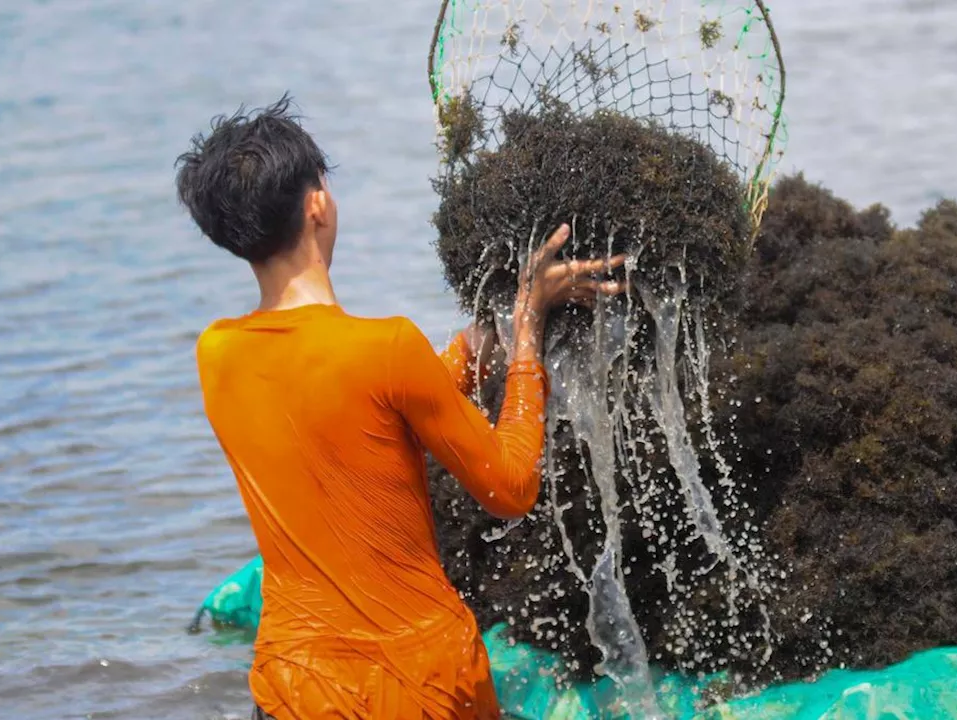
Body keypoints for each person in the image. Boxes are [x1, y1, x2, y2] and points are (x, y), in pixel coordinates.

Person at [175, 95, 625, 719]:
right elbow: (512, 487)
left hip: (291, 691)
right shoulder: (387, 346)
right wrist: (527, 333)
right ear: (318, 204)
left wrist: (469, 352)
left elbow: (357, 422)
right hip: (421, 690)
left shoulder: (216, 353)